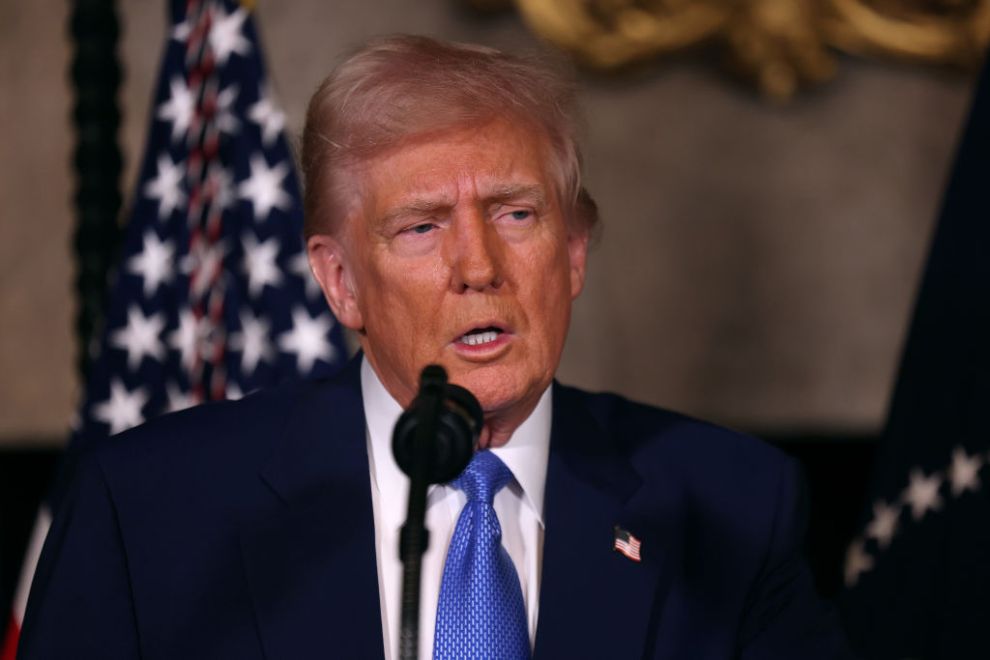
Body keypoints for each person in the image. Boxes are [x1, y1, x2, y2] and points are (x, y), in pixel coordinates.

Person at [19, 35, 852, 659]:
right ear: (340, 281)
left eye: (516, 214)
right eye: (421, 228)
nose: (478, 267)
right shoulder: (151, 513)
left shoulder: (732, 507)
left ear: (573, 254)